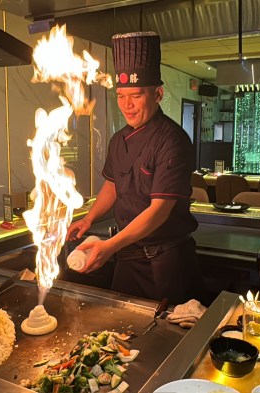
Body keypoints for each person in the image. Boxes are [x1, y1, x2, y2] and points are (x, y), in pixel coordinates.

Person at [66, 31, 205, 305]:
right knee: (121, 331)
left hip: (165, 262)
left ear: (158, 94)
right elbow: (113, 184)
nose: (126, 106)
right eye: (120, 96)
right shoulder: (119, 140)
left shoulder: (172, 140)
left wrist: (108, 247)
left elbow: (158, 212)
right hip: (127, 257)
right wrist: (89, 219)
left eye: (136, 96)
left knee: (168, 335)